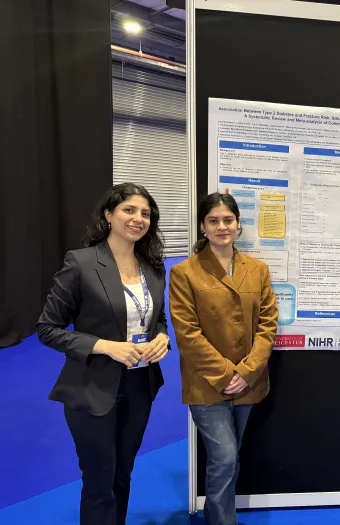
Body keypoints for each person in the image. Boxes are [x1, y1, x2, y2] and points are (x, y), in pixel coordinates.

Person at [37, 183, 170, 525]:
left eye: (145, 213)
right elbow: (47, 328)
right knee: (100, 481)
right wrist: (104, 345)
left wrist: (162, 338)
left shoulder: (153, 267)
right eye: (129, 210)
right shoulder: (81, 263)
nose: (138, 218)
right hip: (92, 387)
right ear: (109, 215)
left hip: (140, 386)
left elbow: (158, 319)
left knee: (122, 475)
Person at [169, 192, 278, 525]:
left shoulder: (257, 270)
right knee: (225, 457)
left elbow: (268, 323)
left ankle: (219, 514)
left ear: (238, 224)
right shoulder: (184, 272)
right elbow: (187, 333)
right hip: (206, 383)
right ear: (203, 226)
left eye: (228, 220)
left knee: (230, 458)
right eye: (213, 221)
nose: (221, 227)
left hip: (248, 382)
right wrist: (227, 374)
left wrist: (247, 372)